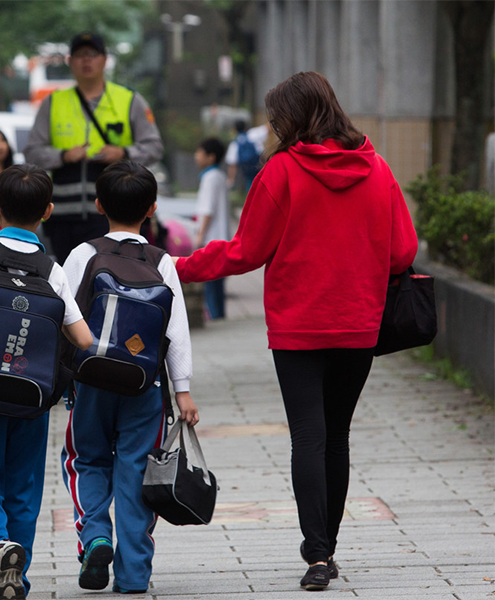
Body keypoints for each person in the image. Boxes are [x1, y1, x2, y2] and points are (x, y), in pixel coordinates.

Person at [174, 72, 418, 591]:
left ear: (291, 118)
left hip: (298, 327)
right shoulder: (377, 169)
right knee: (338, 437)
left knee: (308, 435)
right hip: (358, 322)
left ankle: (317, 555)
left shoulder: (280, 173)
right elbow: (402, 252)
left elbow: (245, 252)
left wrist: (177, 268)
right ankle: (328, 547)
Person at [0, 164, 93, 600]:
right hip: (34, 396)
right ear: (47, 211)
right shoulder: (51, 268)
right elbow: (81, 337)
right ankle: (16, 575)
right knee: (23, 487)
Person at [61, 161, 199, 595]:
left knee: (87, 461)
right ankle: (134, 574)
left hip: (91, 383)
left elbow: (62, 317)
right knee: (139, 472)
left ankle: (96, 535)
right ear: (152, 208)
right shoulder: (162, 262)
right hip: (147, 389)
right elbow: (176, 333)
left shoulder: (83, 254)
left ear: (98, 205)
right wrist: (184, 392)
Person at [23, 32, 164, 262]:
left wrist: (123, 153)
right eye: (79, 55)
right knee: (71, 283)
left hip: (116, 213)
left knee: (112, 275)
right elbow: (32, 151)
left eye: (92, 54)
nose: (86, 60)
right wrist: (63, 156)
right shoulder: (53, 102)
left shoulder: (129, 100)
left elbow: (155, 147)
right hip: (63, 217)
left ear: (105, 60)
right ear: (70, 61)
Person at [193, 137, 229, 320]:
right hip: (222, 237)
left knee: (210, 282)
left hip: (210, 238)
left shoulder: (209, 178)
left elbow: (207, 209)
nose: (196, 156)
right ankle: (219, 315)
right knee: (218, 283)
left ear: (211, 157)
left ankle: (215, 317)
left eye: (200, 152)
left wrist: (200, 235)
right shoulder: (220, 176)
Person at [225, 120, 269, 192]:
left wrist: (231, 180)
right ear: (246, 127)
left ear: (235, 130)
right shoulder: (254, 134)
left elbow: (232, 165)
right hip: (261, 167)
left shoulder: (235, 143)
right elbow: (268, 128)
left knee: (251, 190)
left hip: (247, 172)